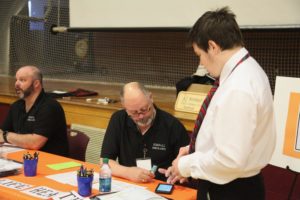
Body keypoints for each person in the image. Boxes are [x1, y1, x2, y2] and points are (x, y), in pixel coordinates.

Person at [159, 7, 276, 200]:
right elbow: (232, 138)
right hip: (233, 184)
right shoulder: (245, 71)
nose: (202, 63)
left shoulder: (238, 87)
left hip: (230, 189)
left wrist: (184, 165)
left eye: (200, 55)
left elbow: (229, 160)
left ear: (213, 46)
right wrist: (195, 149)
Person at [100, 82, 190, 183]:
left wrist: (179, 172)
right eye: (134, 113)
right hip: (129, 185)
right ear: (124, 107)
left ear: (151, 98)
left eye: (144, 109)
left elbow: (188, 166)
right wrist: (128, 172)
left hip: (162, 186)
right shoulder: (118, 120)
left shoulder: (173, 126)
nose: (141, 116)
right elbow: (105, 161)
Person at [0, 65, 69, 157]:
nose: (16, 84)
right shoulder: (16, 106)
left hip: (50, 160)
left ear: (36, 84)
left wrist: (6, 136)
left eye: (22, 80)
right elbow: (2, 131)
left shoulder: (49, 106)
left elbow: (35, 143)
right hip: (24, 156)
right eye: (16, 80)